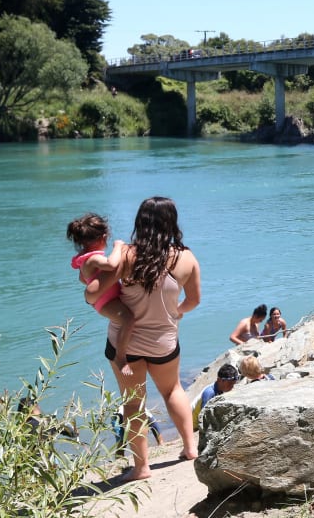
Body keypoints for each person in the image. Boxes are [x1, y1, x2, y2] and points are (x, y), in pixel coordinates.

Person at [106, 196, 201, 482]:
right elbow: (194, 300)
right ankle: (190, 448)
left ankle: (141, 468)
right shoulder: (186, 258)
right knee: (173, 391)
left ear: (140, 222)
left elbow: (98, 290)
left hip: (126, 343)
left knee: (133, 403)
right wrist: (176, 312)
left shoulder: (126, 256)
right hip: (164, 342)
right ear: (172, 221)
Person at [66, 214, 136, 376]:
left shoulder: (83, 259)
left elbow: (83, 279)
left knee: (126, 319)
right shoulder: (94, 258)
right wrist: (118, 246)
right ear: (104, 237)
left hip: (103, 299)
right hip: (106, 301)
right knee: (128, 319)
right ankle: (120, 357)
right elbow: (112, 264)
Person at [192, 363, 239, 429]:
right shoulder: (209, 393)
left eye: (233, 384)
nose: (232, 387)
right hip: (193, 424)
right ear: (219, 380)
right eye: (229, 384)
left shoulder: (220, 388)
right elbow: (204, 415)